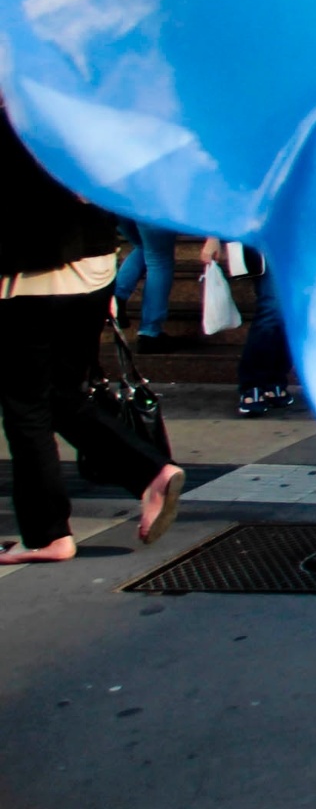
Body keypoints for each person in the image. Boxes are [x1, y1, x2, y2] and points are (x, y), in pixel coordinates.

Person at [0, 106, 186, 565]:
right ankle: (151, 471)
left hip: (31, 272)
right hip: (93, 265)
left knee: (26, 406)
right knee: (64, 394)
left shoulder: (16, 113)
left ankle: (47, 534)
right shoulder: (68, 103)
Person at [201, 239, 294, 417]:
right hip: (267, 235)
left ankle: (274, 378)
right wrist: (213, 237)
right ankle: (253, 384)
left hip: (301, 233)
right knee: (272, 309)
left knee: (287, 311)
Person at [112, 215, 181, 352]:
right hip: (153, 204)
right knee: (159, 259)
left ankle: (116, 299)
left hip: (118, 203)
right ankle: (150, 332)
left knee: (143, 247)